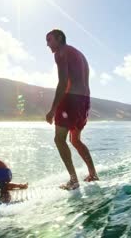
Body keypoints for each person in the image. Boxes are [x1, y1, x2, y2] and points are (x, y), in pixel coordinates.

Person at [45, 29, 98, 190]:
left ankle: (73, 180)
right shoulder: (79, 53)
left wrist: (53, 109)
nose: (47, 44)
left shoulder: (61, 53)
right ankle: (93, 174)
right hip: (84, 100)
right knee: (75, 139)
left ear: (59, 38)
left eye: (49, 40)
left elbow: (62, 83)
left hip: (70, 100)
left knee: (59, 140)